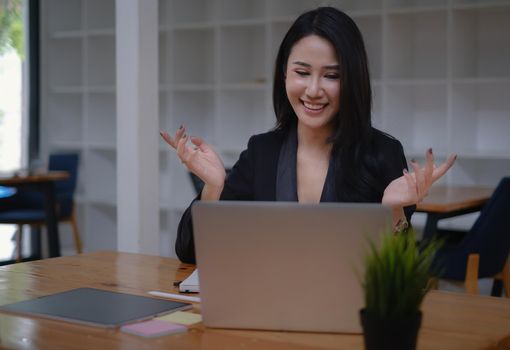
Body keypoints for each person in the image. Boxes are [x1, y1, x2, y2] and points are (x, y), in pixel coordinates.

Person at [160, 7, 456, 264]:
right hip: (269, 311)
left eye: (331, 76)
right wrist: (213, 189)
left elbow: (397, 278)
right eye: (302, 72)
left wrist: (391, 211)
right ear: (285, 74)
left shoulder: (382, 153)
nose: (314, 90)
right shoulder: (261, 152)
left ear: (353, 80)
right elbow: (190, 254)